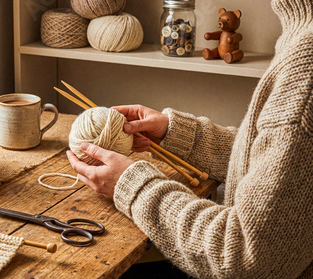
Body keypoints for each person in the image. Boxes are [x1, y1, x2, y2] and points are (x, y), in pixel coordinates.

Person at [67, 0, 313, 278]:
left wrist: (130, 185)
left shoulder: (307, 64)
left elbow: (244, 259)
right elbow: (282, 160)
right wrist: (179, 134)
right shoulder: (300, 33)